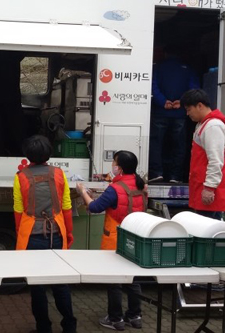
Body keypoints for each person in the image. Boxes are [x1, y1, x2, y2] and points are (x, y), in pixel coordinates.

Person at [76, 150, 147, 331]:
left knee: (114, 281)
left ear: (120, 168)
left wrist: (83, 192)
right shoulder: (141, 185)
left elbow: (94, 207)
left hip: (114, 239)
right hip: (135, 237)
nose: (112, 166)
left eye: (114, 163)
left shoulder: (115, 189)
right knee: (134, 279)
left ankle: (115, 319)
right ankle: (135, 316)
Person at [13, 135, 76, 333]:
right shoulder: (59, 174)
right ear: (49, 153)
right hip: (57, 234)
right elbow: (66, 206)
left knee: (37, 287)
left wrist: (20, 235)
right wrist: (69, 232)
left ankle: (43, 328)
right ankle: (69, 326)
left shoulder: (20, 176)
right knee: (60, 284)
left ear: (27, 154)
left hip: (32, 236)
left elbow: (18, 210)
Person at [149, 44, 199, 183]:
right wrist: (181, 102)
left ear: (165, 53)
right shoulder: (188, 69)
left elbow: (152, 86)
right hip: (180, 114)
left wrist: (163, 101)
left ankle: (156, 173)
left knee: (156, 144)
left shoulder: (157, 67)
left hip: (160, 112)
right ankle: (175, 176)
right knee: (178, 146)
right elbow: (194, 89)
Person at [181, 89, 225, 220]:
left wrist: (209, 188)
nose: (188, 114)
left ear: (200, 105)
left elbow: (216, 160)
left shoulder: (212, 126)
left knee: (208, 233)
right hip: (201, 186)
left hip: (208, 190)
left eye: (189, 110)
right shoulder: (203, 124)